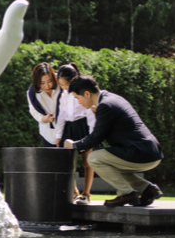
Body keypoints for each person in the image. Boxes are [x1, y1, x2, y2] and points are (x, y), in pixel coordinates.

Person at [64, 74, 164, 207]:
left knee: (94, 158)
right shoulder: (112, 98)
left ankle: (127, 194)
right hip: (150, 151)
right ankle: (148, 189)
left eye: (77, 98)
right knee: (110, 163)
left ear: (87, 94)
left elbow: (96, 137)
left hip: (141, 153)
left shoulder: (105, 105)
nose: (79, 102)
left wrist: (74, 145)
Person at [55, 63, 96, 205]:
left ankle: (86, 193)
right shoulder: (63, 95)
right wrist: (58, 135)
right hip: (69, 128)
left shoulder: (83, 92)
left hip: (83, 126)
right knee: (67, 162)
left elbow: (90, 113)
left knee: (87, 162)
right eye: (61, 85)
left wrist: (92, 134)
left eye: (66, 84)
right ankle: (73, 192)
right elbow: (61, 115)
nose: (64, 87)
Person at [27, 63, 61, 147]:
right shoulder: (32, 93)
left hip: (67, 130)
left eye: (49, 81)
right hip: (48, 133)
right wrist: (45, 118)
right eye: (42, 83)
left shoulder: (61, 83)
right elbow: (33, 111)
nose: (46, 86)